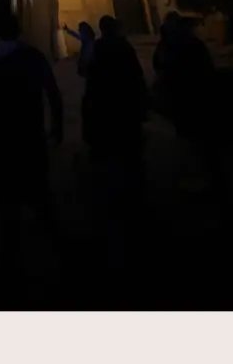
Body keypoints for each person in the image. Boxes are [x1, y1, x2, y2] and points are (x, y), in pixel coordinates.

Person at [0, 13, 63, 275]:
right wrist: (56, 127)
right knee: (40, 195)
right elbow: (53, 93)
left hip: (6, 140)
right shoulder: (33, 57)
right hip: (32, 136)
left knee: (8, 205)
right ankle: (57, 254)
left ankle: (11, 263)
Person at [81, 15, 149, 273]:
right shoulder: (126, 48)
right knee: (131, 160)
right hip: (126, 112)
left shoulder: (97, 50)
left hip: (105, 113)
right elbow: (137, 76)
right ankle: (137, 211)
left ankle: (116, 219)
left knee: (110, 165)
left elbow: (85, 73)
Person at [152, 12, 225, 198]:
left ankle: (201, 178)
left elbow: (160, 66)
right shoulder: (191, 45)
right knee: (199, 138)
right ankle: (210, 177)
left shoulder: (171, 46)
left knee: (191, 138)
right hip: (195, 97)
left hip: (184, 98)